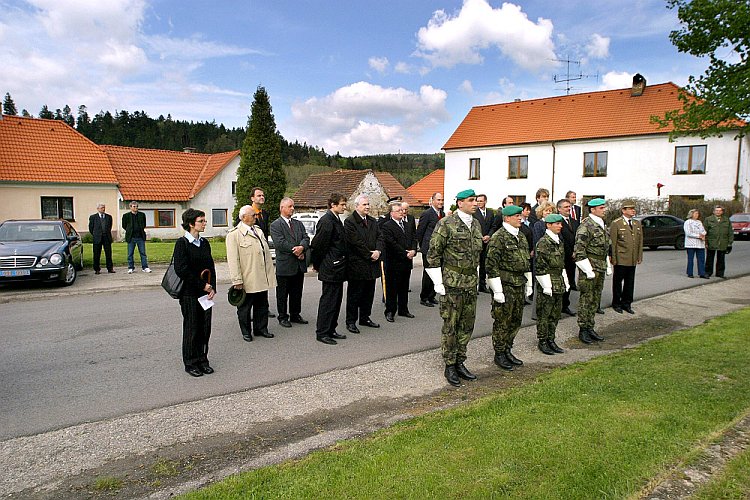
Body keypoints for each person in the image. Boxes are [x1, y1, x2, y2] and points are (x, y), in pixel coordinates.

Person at [426, 189, 483, 386]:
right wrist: (438, 283)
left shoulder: (475, 224)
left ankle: (460, 361)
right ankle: (449, 365)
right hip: (452, 283)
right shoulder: (446, 224)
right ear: (459, 203)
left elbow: (476, 256)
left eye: (475, 200)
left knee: (467, 325)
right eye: (470, 200)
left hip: (469, 282)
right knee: (451, 325)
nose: (475, 203)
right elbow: (432, 254)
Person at [486, 205, 533, 370]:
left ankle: (507, 349)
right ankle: (499, 353)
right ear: (507, 218)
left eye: (520, 216)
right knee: (502, 321)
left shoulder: (520, 236)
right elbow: (491, 265)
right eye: (516, 216)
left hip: (519, 284)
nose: (520, 218)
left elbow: (526, 261)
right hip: (505, 286)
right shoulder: (499, 237)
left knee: (515, 320)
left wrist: (529, 282)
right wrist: (497, 290)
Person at [172, 209, 216, 377]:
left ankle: (203, 359)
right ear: (191, 224)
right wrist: (202, 285)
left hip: (205, 293)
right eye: (201, 221)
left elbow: (211, 267)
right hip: (190, 293)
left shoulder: (204, 243)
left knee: (205, 327)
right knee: (192, 328)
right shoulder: (182, 244)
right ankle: (190, 362)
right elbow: (181, 269)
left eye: (204, 221)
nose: (205, 223)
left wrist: (212, 287)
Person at [226, 205, 277, 342]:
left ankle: (261, 329)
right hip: (247, 277)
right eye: (252, 215)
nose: (255, 217)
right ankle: (246, 331)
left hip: (261, 276)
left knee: (262, 305)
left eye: (255, 215)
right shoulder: (234, 235)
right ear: (243, 217)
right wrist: (237, 280)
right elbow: (233, 260)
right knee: (245, 307)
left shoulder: (258, 231)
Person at [311, 193, 349, 345]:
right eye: (342, 204)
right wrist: (318, 264)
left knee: (336, 300)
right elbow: (319, 245)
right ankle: (322, 332)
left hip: (338, 267)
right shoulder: (326, 221)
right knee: (328, 301)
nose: (344, 207)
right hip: (330, 267)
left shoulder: (336, 219)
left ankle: (331, 328)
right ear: (333, 205)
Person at [344, 195, 383, 332]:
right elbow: (355, 243)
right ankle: (351, 321)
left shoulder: (372, 221)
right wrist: (369, 254)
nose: (367, 207)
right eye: (364, 205)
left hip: (372, 264)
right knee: (355, 294)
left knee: (369, 293)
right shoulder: (350, 222)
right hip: (357, 264)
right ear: (357, 206)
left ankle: (365, 317)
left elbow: (380, 237)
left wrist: (378, 251)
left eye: (368, 204)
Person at [574, 198, 610, 344]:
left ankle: (590, 326)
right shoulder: (586, 226)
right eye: (601, 208)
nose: (604, 210)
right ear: (593, 210)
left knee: (595, 298)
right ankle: (583, 329)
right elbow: (579, 251)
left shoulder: (601, 224)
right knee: (586, 299)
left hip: (600, 266)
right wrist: (588, 270)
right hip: (590, 267)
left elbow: (605, 247)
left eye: (604, 207)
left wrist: (607, 263)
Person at [270, 197, 310, 328]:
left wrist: (302, 247)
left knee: (296, 292)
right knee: (282, 293)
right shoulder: (276, 225)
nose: (292, 208)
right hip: (285, 265)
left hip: (298, 265)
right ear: (282, 208)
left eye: (293, 206)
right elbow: (280, 243)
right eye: (290, 206)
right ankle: (282, 316)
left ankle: (295, 314)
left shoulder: (298, 224)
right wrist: (296, 250)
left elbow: (306, 237)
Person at [534, 213, 569, 355]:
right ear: (548, 225)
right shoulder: (543, 242)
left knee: (555, 313)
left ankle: (551, 339)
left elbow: (561, 263)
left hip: (558, 280)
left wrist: (565, 280)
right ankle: (542, 340)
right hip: (547, 281)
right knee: (544, 313)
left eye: (560, 224)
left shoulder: (558, 241)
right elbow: (540, 266)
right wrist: (546, 286)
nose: (560, 226)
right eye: (557, 224)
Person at [382, 202, 417, 322]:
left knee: (404, 286)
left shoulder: (407, 225)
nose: (402, 212)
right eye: (398, 211)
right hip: (394, 262)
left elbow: (413, 238)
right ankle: (390, 311)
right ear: (392, 213)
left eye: (402, 210)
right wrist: (405, 253)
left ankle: (403, 309)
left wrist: (413, 250)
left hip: (406, 262)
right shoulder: (387, 226)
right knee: (392, 288)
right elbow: (391, 243)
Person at [609, 200, 643, 314]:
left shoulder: (637, 224)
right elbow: (613, 242)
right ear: (623, 210)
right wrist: (613, 257)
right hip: (621, 258)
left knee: (630, 282)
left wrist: (639, 256)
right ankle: (616, 303)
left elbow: (640, 242)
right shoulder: (616, 223)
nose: (633, 210)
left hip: (632, 258)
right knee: (618, 282)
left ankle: (627, 303)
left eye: (634, 208)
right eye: (630, 208)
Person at [250, 187, 276, 318]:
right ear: (252, 198)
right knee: (253, 282)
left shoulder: (264, 214)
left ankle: (264, 308)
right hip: (252, 254)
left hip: (263, 252)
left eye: (263, 195)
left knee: (264, 281)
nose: (262, 197)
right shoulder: (246, 214)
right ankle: (251, 309)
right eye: (259, 195)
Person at [416, 192, 444, 308]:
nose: (440, 202)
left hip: (439, 249)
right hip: (428, 248)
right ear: (432, 201)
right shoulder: (427, 214)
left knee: (437, 273)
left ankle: (432, 296)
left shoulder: (442, 214)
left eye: (442, 200)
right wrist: (423, 246)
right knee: (428, 273)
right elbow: (420, 232)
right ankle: (424, 297)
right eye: (438, 200)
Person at [556, 198, 579, 316]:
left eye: (569, 207)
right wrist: (570, 253)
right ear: (559, 209)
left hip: (573, 258)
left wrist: (576, 252)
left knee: (569, 282)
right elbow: (561, 240)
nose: (568, 209)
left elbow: (578, 238)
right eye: (565, 207)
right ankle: (558, 306)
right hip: (563, 257)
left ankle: (565, 305)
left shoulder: (574, 222)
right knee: (561, 283)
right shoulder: (556, 222)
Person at [704, 205, 734, 279]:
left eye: (720, 211)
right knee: (709, 259)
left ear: (722, 212)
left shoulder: (726, 220)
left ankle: (720, 273)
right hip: (712, 242)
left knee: (721, 259)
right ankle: (708, 272)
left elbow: (730, 232)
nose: (718, 212)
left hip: (723, 242)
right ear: (713, 211)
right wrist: (705, 242)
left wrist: (730, 243)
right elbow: (704, 232)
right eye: (716, 210)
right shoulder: (708, 219)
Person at [473, 194, 495, 293]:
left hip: (487, 242)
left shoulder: (490, 213)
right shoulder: (474, 213)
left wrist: (489, 235)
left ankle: (482, 285)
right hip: (477, 241)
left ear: (485, 201)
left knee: (484, 265)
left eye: (481, 201)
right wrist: (480, 236)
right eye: (477, 201)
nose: (479, 203)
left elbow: (493, 226)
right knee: (475, 264)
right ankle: (474, 286)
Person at [122, 201, 151, 274]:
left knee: (143, 253)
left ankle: (145, 267)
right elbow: (124, 225)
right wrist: (129, 230)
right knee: (130, 253)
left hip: (140, 237)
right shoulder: (126, 216)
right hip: (131, 237)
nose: (136, 208)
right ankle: (131, 267)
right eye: (134, 206)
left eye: (137, 206)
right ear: (130, 207)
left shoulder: (142, 215)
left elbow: (144, 224)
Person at [88, 203, 115, 274]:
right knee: (96, 254)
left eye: (104, 207)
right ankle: (97, 269)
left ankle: (110, 268)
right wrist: (95, 234)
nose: (103, 209)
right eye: (101, 208)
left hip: (106, 237)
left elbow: (109, 227)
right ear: (98, 209)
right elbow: (91, 228)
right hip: (97, 238)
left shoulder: (109, 217)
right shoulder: (93, 217)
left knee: (108, 253)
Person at [684, 209, 708, 279]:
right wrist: (698, 236)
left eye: (697, 213)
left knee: (701, 259)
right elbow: (688, 233)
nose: (697, 215)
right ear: (691, 214)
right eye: (695, 213)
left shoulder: (699, 222)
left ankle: (702, 273)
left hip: (700, 244)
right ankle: (690, 273)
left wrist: (703, 235)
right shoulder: (687, 222)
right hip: (691, 244)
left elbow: (703, 231)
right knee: (690, 259)